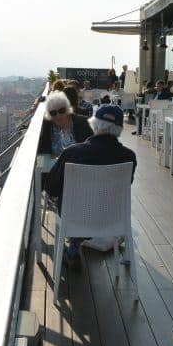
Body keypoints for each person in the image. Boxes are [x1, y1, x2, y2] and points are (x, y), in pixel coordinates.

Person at [45, 104, 137, 264]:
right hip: (111, 219)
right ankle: (76, 243)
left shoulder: (72, 153)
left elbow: (51, 188)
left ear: (94, 124)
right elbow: (125, 186)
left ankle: (74, 244)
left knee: (73, 203)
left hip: (74, 217)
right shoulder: (129, 156)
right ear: (120, 128)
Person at [38, 91, 93, 157]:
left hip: (80, 164)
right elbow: (43, 151)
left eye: (61, 111)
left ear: (67, 109)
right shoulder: (46, 127)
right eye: (53, 113)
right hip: (56, 165)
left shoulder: (84, 123)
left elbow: (91, 148)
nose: (58, 116)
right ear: (49, 115)